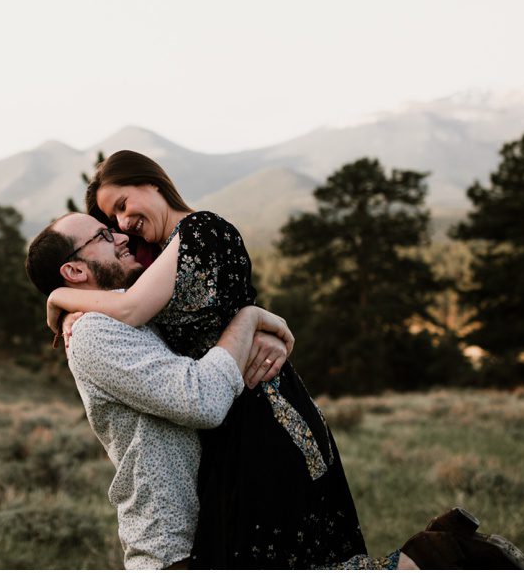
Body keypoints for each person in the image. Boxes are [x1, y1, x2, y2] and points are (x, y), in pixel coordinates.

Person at [44, 151, 400, 569]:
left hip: (262, 414)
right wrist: (258, 321)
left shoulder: (200, 229)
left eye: (122, 205)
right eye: (112, 221)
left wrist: (58, 297)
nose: (122, 224)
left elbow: (132, 309)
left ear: (151, 183)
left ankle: (442, 554)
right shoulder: (158, 259)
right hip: (229, 424)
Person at [25, 211, 297, 569]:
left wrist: (263, 333)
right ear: (75, 271)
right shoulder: (93, 333)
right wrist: (247, 319)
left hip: (220, 533)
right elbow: (202, 400)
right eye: (104, 236)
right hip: (173, 551)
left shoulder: (134, 316)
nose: (123, 236)